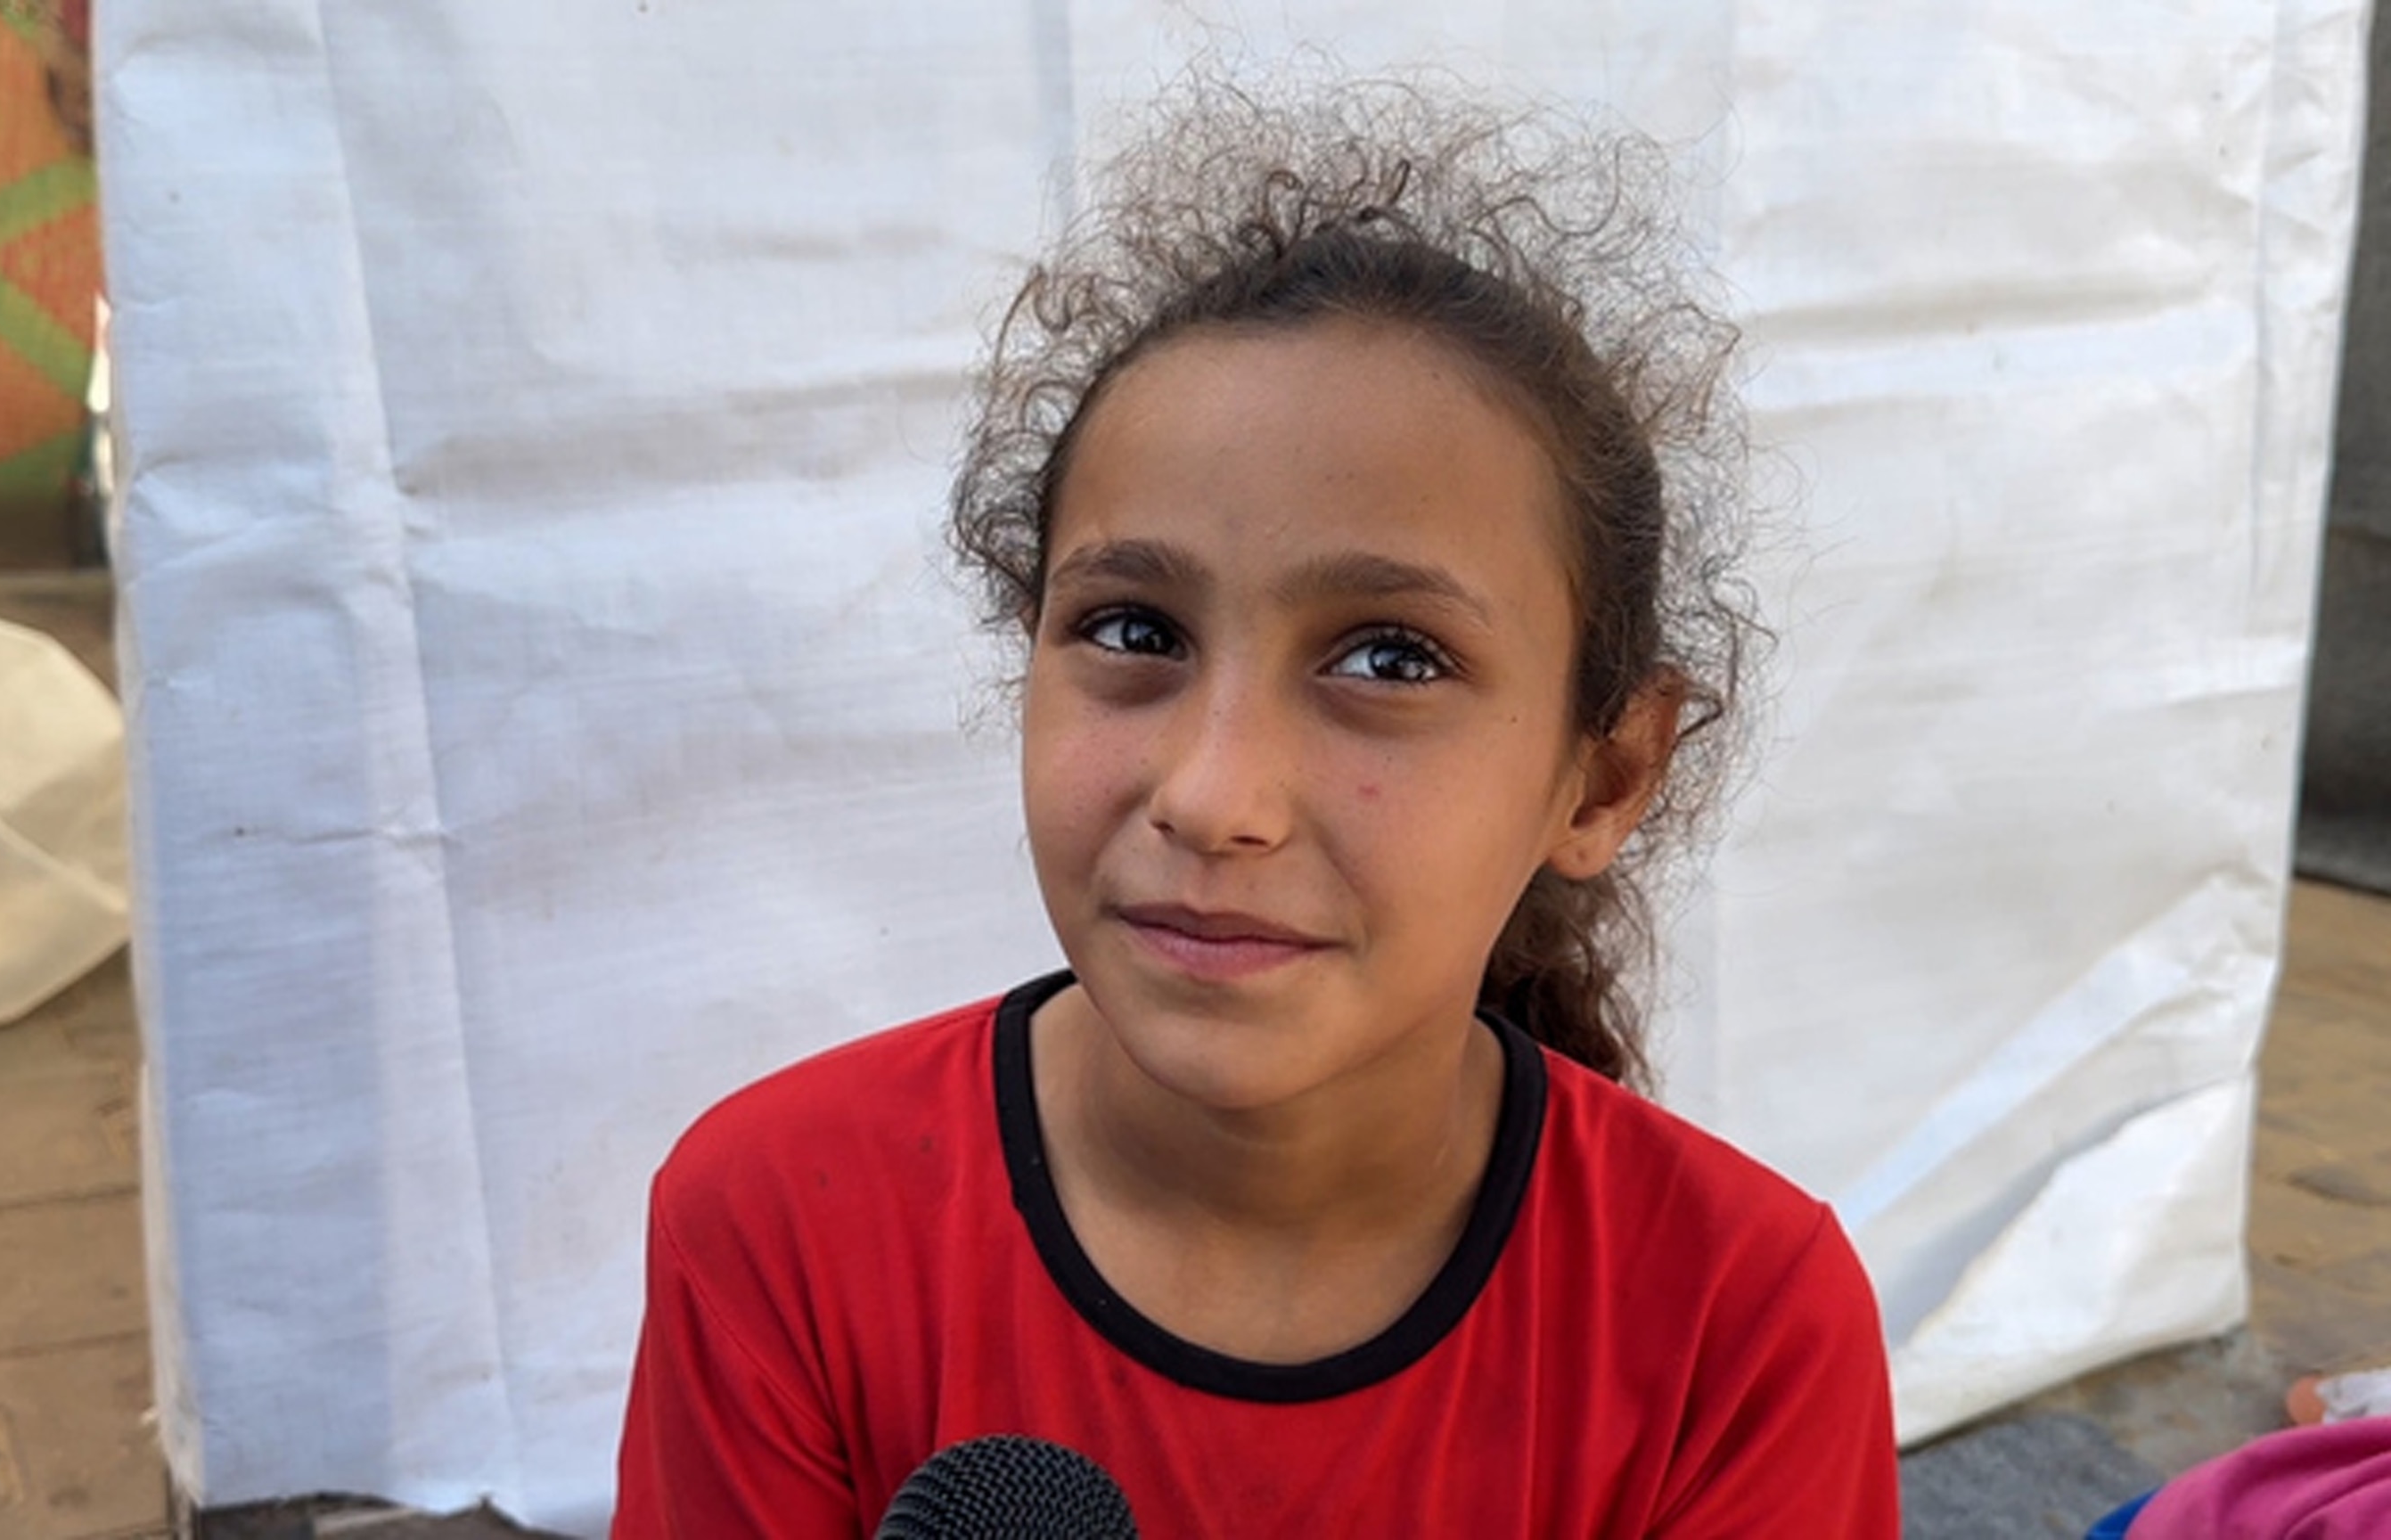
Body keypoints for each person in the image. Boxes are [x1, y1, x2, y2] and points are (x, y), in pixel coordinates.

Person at [612, 71, 1901, 1537]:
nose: (1216, 796)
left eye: (1389, 658)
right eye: (1134, 631)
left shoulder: (1738, 1329)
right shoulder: (783, 1223)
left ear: (1604, 774)